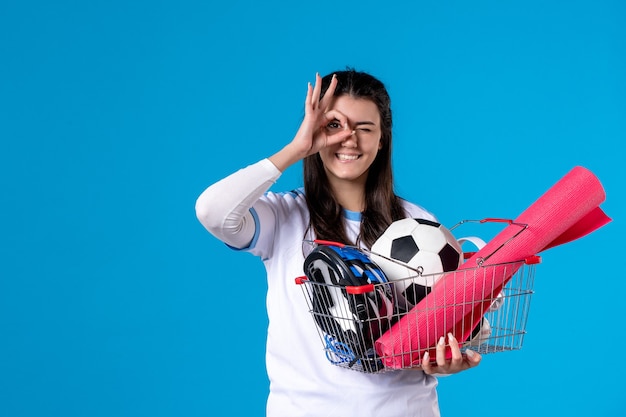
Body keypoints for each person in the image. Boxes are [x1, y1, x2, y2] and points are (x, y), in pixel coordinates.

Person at [195, 69, 481, 417]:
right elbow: (212, 210)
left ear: (382, 140)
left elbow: (463, 322)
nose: (349, 139)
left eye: (364, 129)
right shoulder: (282, 217)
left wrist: (446, 359)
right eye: (334, 126)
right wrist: (295, 149)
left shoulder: (419, 224)